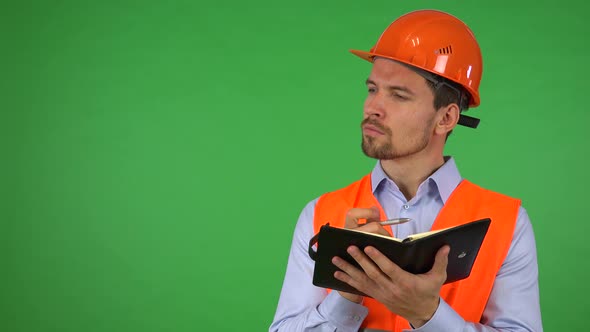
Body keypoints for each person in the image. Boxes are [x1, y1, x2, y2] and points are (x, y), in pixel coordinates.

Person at [269, 9, 543, 332]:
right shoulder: (320, 216)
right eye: (372, 89)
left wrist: (428, 314)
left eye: (398, 95)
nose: (372, 107)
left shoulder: (507, 224)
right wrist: (345, 294)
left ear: (446, 118)